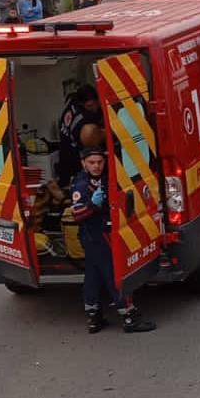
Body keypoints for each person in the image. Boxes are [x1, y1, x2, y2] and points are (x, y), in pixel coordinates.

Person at [70, 125, 156, 333]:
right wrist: (93, 205)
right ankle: (129, 317)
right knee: (114, 273)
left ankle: (93, 316)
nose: (96, 166)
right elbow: (77, 213)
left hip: (96, 235)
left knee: (93, 275)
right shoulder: (82, 185)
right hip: (96, 235)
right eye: (92, 163)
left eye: (100, 162)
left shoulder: (101, 178)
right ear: (83, 163)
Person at [58, 84, 102, 187]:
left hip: (65, 156)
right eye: (89, 106)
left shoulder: (72, 104)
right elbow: (90, 136)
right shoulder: (82, 119)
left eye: (94, 104)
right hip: (73, 161)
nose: (93, 108)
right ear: (82, 104)